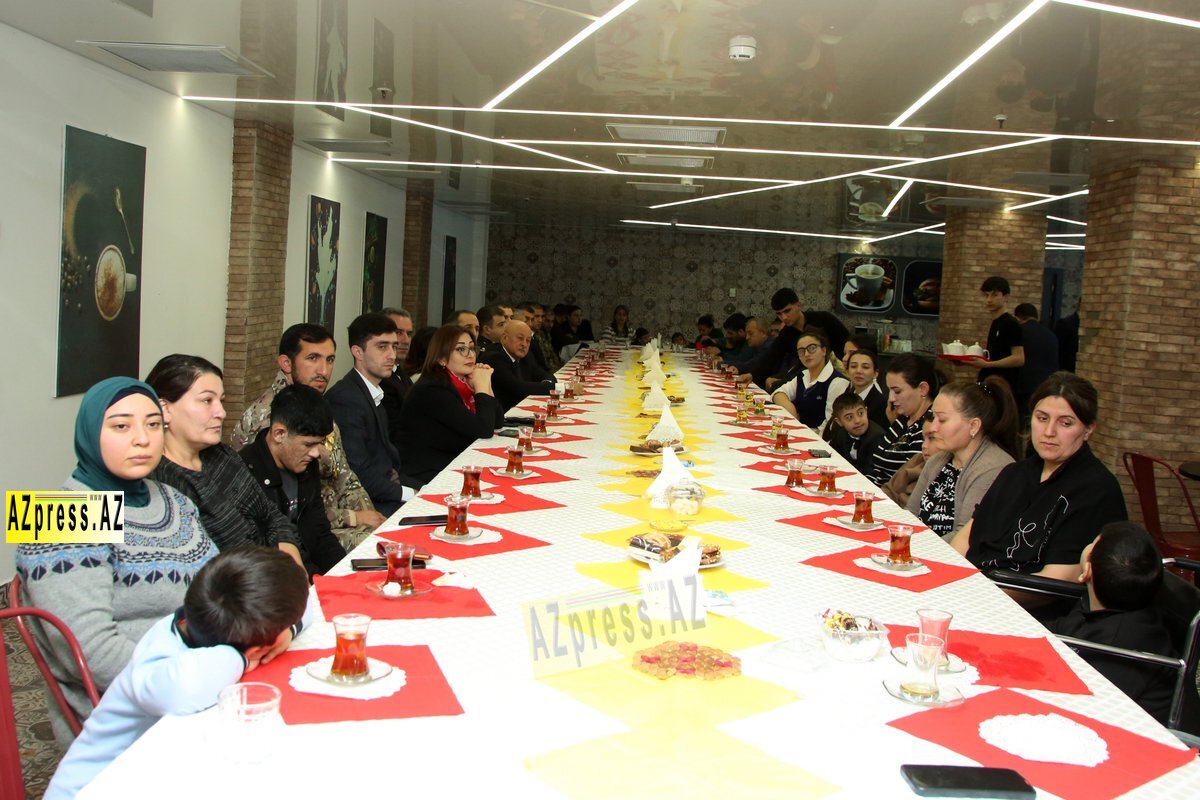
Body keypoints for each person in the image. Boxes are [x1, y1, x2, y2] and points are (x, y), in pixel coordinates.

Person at [16, 377, 217, 745]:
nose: (142, 439)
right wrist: (201, 675)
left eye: (153, 425)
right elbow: (94, 655)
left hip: (198, 677)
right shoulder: (60, 512)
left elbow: (222, 589)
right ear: (91, 432)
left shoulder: (172, 500)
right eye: (121, 426)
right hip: (128, 714)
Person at [44, 548, 310, 800]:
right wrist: (238, 658)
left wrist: (284, 632)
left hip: (150, 767)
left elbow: (296, 603)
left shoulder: (195, 620)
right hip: (96, 780)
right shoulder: (168, 664)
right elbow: (100, 654)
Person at [951, 372, 1128, 578]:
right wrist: (953, 579)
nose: (1049, 432)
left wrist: (979, 590)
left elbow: (1060, 578)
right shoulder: (1014, 473)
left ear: (1088, 430)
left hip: (1020, 595)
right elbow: (966, 538)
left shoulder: (1097, 489)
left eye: (1065, 423)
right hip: (973, 583)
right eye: (1042, 419)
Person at [231, 323, 385, 550]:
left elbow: (344, 476)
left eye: (330, 360)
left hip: (329, 524)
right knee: (380, 548)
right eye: (313, 358)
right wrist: (355, 518)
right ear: (286, 363)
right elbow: (279, 511)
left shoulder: (315, 406)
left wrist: (371, 518)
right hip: (299, 536)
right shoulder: (269, 420)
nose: (323, 370)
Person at [147, 355, 304, 566]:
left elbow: (271, 515)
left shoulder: (221, 455)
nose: (221, 413)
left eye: (220, 401)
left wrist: (293, 565)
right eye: (207, 401)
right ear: (164, 409)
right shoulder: (145, 481)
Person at [1047, 522, 1175, 724]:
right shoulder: (1096, 608)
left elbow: (1083, 711)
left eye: (1092, 543)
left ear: (1087, 571)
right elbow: (1054, 630)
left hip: (1125, 730)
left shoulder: (1121, 646)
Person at [240, 385, 347, 576]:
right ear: (279, 434)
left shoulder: (306, 464)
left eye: (319, 443)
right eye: (308, 444)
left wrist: (344, 575)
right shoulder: (245, 474)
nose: (315, 453)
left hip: (312, 572)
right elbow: (261, 555)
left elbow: (320, 534)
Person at [325, 313, 418, 516]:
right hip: (368, 503)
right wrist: (411, 493)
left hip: (387, 487)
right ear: (358, 352)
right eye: (382, 347)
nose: (392, 355)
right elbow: (358, 472)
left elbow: (387, 461)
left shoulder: (370, 391)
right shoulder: (345, 398)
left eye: (394, 346)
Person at [907, 378, 1018, 539]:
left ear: (973, 426)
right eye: (933, 417)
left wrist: (914, 547)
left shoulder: (994, 469)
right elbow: (910, 513)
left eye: (942, 420)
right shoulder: (937, 460)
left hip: (948, 552)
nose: (933, 427)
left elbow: (965, 537)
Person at [396, 325, 500, 484]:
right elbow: (484, 430)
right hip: (427, 472)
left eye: (472, 348)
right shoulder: (433, 389)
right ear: (441, 359)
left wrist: (486, 385)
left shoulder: (460, 383)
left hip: (452, 460)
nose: (470, 355)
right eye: (461, 349)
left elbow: (497, 422)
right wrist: (481, 388)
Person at [735, 288, 849, 391]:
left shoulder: (824, 319)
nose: (784, 317)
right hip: (808, 375)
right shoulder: (786, 334)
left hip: (840, 372)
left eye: (787, 311)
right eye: (779, 314)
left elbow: (848, 343)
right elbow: (771, 356)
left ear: (799, 306)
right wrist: (752, 374)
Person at [868, 354, 938, 485]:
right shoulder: (903, 418)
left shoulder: (930, 427)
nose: (891, 398)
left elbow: (907, 480)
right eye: (889, 390)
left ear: (923, 389)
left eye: (897, 391)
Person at [772, 329, 849, 432]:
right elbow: (778, 393)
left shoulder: (837, 382)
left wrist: (801, 430)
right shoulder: (803, 376)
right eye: (801, 351)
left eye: (812, 348)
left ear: (824, 351)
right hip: (798, 431)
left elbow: (830, 425)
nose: (806, 354)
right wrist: (791, 410)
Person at [481, 319, 556, 412]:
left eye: (528, 340)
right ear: (504, 338)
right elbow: (518, 388)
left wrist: (548, 383)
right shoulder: (494, 357)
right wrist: (552, 387)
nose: (524, 344)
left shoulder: (525, 355)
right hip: (503, 414)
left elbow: (543, 373)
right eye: (520, 338)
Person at [967, 276, 1024, 391]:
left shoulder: (1010, 323)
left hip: (1002, 385)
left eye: (994, 295)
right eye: (986, 295)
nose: (989, 300)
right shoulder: (996, 322)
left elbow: (1019, 358)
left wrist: (987, 364)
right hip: (989, 380)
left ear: (1005, 297)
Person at [1013, 302, 1060, 418]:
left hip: (1024, 388)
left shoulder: (1020, 332)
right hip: (1048, 386)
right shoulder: (1050, 335)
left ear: (1018, 317)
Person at [881, 419, 942, 507]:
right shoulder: (918, 459)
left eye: (932, 438)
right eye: (923, 439)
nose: (924, 446)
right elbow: (889, 490)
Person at [828, 393, 885, 474]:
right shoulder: (841, 433)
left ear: (866, 411)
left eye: (860, 413)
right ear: (839, 422)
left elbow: (870, 473)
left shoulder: (877, 437)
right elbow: (833, 458)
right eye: (849, 417)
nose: (857, 421)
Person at [843, 348, 889, 429]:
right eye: (853, 366)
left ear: (875, 373)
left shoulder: (881, 404)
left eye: (865, 367)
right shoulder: (846, 394)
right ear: (847, 371)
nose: (858, 371)